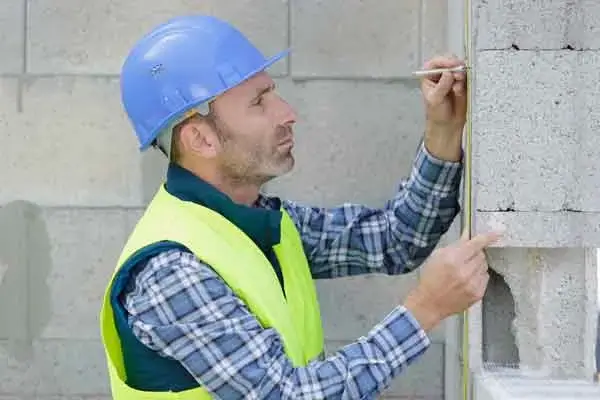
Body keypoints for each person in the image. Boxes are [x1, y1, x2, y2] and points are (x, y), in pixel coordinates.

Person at [99, 14, 500, 399]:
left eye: (273, 93)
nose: (288, 114)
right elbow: (287, 394)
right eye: (259, 102)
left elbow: (396, 239)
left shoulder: (258, 221)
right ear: (201, 140)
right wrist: (425, 309)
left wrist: (444, 130)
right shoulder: (172, 271)